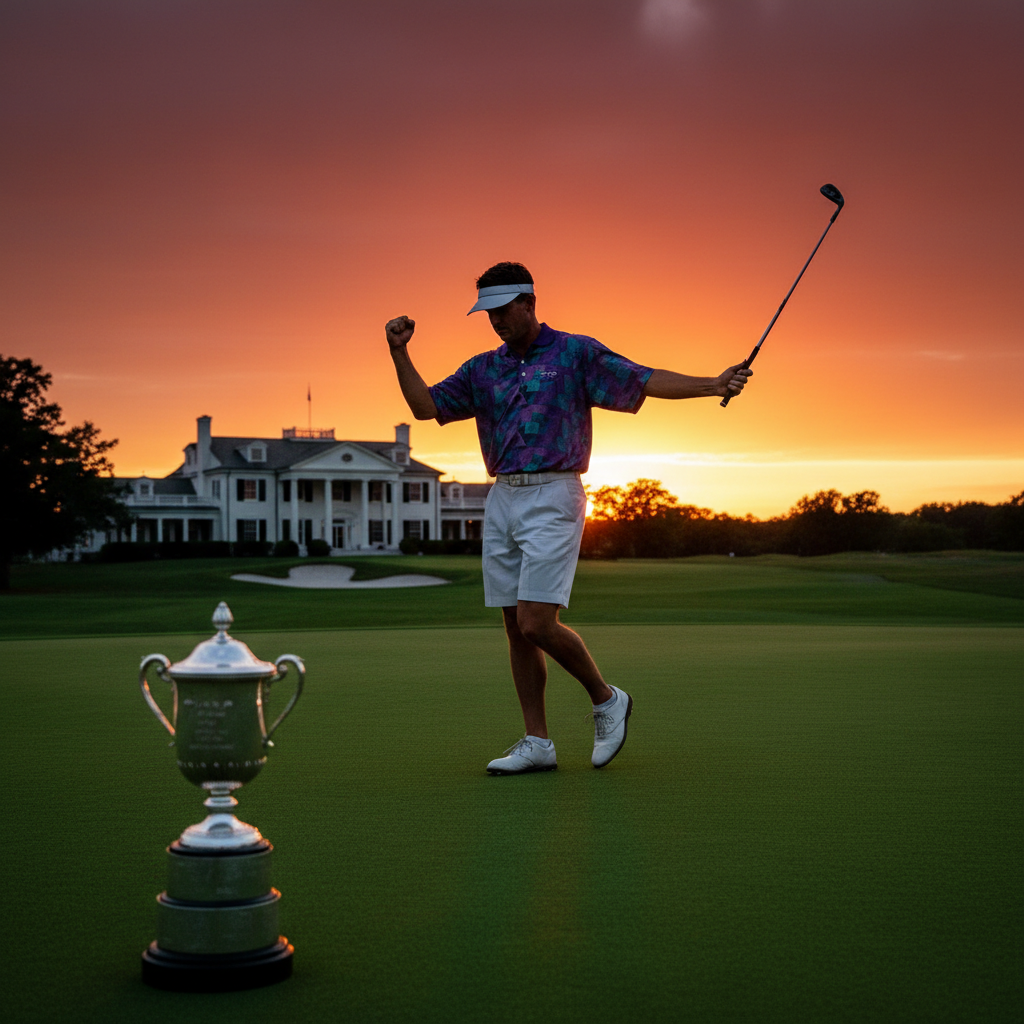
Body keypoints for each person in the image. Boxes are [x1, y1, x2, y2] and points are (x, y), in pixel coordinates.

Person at [385, 262, 751, 775]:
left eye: (502, 310)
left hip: (555, 493)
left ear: (529, 303)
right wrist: (399, 352)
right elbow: (425, 407)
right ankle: (538, 742)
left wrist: (712, 383)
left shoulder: (574, 353)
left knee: (537, 621)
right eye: (487, 313)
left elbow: (642, 379)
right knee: (515, 627)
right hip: (502, 497)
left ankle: (606, 699)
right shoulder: (481, 370)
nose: (495, 321)